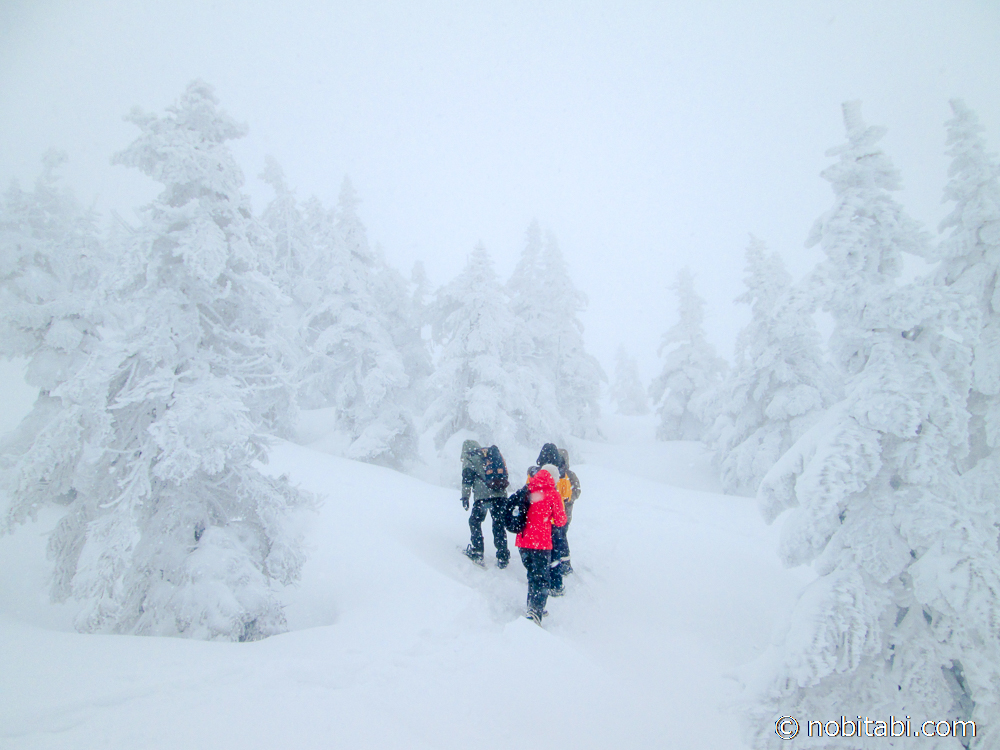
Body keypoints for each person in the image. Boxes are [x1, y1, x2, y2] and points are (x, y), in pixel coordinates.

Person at [515, 464, 567, 624]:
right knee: (542, 578)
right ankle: (535, 611)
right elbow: (561, 520)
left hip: (523, 542)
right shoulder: (552, 494)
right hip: (541, 543)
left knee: (532, 575)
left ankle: (533, 606)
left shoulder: (528, 488)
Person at [528, 444, 570, 595]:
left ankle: (539, 582)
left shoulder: (534, 473)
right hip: (554, 522)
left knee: (539, 555)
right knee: (555, 554)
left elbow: (528, 494)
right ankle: (556, 584)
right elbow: (567, 495)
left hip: (538, 522)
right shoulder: (562, 474)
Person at [460, 439, 510, 568]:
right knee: (498, 525)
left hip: (483, 497)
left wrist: (465, 496)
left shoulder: (469, 457)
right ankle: (503, 557)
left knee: (475, 522)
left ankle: (477, 551)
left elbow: (467, 478)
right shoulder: (489, 455)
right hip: (500, 494)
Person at [557, 448, 581, 576]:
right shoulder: (568, 474)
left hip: (564, 513)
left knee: (561, 537)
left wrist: (566, 498)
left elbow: (577, 491)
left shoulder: (568, 475)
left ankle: (564, 564)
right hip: (563, 513)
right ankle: (563, 563)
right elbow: (577, 490)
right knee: (561, 537)